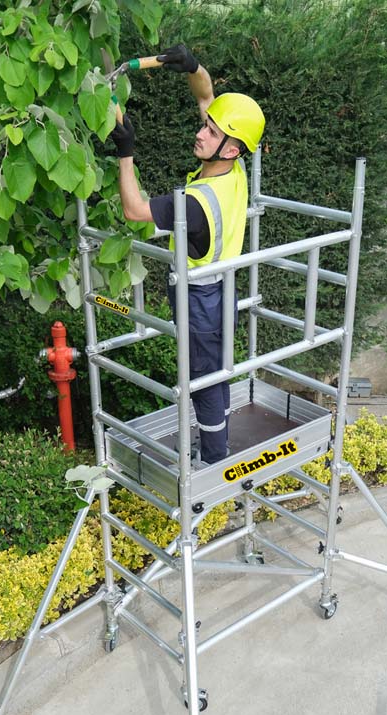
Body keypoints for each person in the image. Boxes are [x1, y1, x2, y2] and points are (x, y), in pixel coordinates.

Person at [110, 44, 265, 465]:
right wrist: (193, 67)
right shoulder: (233, 169)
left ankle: (213, 457)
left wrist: (126, 152)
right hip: (221, 289)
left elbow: (134, 211)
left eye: (211, 132)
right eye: (207, 126)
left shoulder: (196, 203)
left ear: (230, 148)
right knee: (214, 369)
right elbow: (206, 96)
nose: (201, 132)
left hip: (200, 300)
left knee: (203, 379)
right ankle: (217, 443)